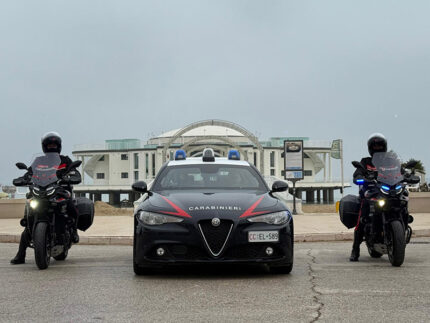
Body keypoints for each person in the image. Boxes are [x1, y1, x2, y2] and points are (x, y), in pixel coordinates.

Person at [10, 132, 81, 265]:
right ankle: (21, 255)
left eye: (54, 144)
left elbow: (74, 173)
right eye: (50, 144)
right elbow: (29, 173)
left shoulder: (65, 160)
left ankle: (74, 231)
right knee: (28, 220)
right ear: (45, 146)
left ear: (58, 146)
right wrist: (23, 179)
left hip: (58, 190)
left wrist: (73, 177)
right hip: (40, 191)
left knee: (71, 204)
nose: (52, 146)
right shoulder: (39, 161)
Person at [350, 133, 388, 261]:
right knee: (362, 218)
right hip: (370, 194)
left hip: (386, 192)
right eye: (375, 146)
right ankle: (355, 249)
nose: (377, 148)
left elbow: (400, 171)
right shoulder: (365, 162)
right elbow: (357, 174)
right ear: (371, 148)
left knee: (401, 202)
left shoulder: (390, 161)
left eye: (379, 146)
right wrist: (359, 178)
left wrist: (406, 175)